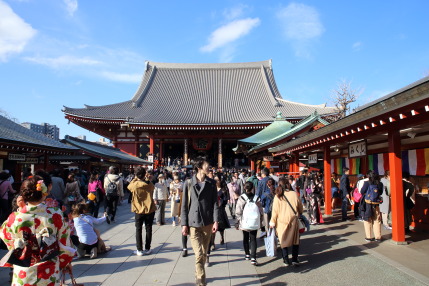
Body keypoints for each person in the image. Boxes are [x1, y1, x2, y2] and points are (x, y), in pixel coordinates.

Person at [0, 176, 75, 285]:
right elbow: (64, 242)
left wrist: (20, 249)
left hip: (23, 270)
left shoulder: (15, 217)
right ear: (44, 193)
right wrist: (64, 262)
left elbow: (5, 236)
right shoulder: (54, 214)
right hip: (49, 269)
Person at [181, 158, 219, 286]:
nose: (209, 168)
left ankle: (197, 272)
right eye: (207, 165)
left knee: (203, 252)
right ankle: (201, 280)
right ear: (199, 168)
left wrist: (216, 221)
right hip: (193, 222)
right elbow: (184, 205)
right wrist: (184, 224)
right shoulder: (188, 183)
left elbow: (215, 203)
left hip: (207, 222)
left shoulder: (212, 183)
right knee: (198, 253)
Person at [270, 177, 304, 267]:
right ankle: (294, 259)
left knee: (283, 241)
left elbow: (275, 211)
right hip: (293, 220)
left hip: (281, 221)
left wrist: (272, 222)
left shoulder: (277, 196)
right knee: (295, 240)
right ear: (287, 185)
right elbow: (300, 207)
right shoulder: (293, 194)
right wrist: (300, 212)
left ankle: (285, 260)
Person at [128, 166, 156, 256]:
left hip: (139, 209)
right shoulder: (149, 184)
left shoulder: (135, 185)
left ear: (136, 174)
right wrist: (147, 179)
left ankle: (139, 249)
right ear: (144, 174)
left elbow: (129, 187)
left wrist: (136, 178)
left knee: (138, 229)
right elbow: (152, 187)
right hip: (149, 209)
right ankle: (147, 248)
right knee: (149, 228)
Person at [235, 181, 263, 266]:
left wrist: (238, 220)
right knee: (253, 239)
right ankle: (253, 258)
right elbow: (261, 210)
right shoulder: (256, 198)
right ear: (253, 188)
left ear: (245, 188)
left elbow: (238, 210)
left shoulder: (242, 198)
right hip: (254, 221)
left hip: (245, 221)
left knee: (246, 237)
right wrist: (260, 219)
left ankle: (247, 254)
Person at [360, 170, 383, 242]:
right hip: (376, 204)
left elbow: (362, 191)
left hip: (367, 204)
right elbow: (381, 192)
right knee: (377, 220)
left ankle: (369, 237)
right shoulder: (380, 183)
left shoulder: (366, 183)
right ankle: (378, 237)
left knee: (367, 219)